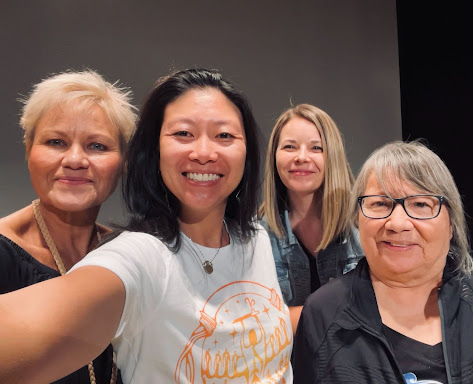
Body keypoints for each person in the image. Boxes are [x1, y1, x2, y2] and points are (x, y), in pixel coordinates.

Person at [0, 68, 293, 383]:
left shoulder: (255, 237)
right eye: (183, 133)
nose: (205, 152)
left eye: (224, 135)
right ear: (154, 152)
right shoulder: (139, 255)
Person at [292, 140, 473, 383]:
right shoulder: (322, 314)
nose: (397, 224)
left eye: (420, 204)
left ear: (451, 224)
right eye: (379, 204)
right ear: (358, 220)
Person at [0, 69, 137, 384]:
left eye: (97, 146)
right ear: (28, 150)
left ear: (124, 161)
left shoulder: (131, 255)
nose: (75, 159)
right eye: (56, 142)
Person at [258, 103, 364, 333]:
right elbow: (258, 325)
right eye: (289, 147)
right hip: (291, 367)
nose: (301, 157)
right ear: (274, 157)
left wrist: (293, 317)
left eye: (316, 148)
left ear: (332, 156)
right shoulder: (257, 237)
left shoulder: (364, 224)